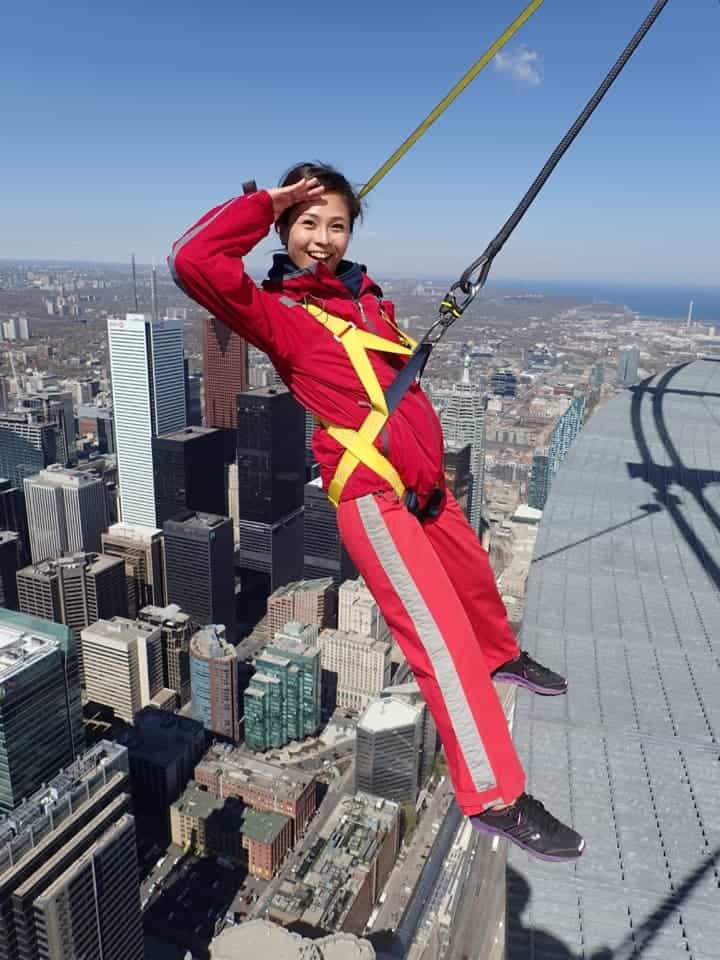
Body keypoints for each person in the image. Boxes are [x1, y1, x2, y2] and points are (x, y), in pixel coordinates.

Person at [170, 162, 584, 862]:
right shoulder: (280, 314)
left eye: (336, 224)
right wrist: (262, 202)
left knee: (476, 579)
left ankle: (502, 655)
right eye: (307, 224)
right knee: (440, 642)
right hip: (372, 494)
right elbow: (193, 260)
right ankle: (494, 795)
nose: (324, 238)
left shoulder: (365, 301)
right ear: (282, 230)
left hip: (420, 483)